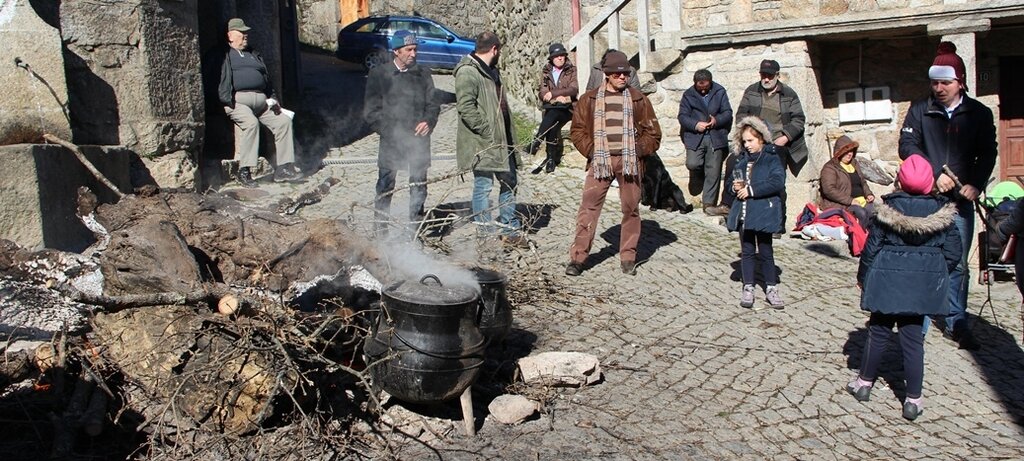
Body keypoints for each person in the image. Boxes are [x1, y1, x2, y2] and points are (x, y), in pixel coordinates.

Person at [898, 41, 997, 350]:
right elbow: (907, 147)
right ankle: (921, 322)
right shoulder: (919, 110)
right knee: (926, 259)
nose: (938, 88)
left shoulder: (979, 113)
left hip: (960, 203)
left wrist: (976, 184)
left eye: (945, 82)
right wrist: (931, 172)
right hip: (928, 200)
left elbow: (988, 152)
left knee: (957, 264)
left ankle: (956, 320)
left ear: (960, 82)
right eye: (935, 82)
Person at [847, 154, 962, 421]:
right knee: (912, 342)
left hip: (887, 285)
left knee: (878, 333)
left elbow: (870, 250)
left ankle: (864, 384)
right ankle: (913, 400)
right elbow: (954, 253)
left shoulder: (886, 213)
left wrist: (863, 277)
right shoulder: (942, 215)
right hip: (920, 288)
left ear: (899, 180)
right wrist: (933, 270)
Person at [566, 50, 662, 277]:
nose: (622, 78)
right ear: (606, 74)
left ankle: (628, 256)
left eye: (626, 74)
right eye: (617, 74)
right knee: (588, 208)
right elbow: (577, 131)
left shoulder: (639, 99)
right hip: (600, 161)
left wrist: (638, 151)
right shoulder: (588, 100)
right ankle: (578, 258)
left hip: (629, 163)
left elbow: (654, 134)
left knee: (630, 208)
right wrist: (592, 151)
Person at [454, 31, 528, 248]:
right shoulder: (468, 72)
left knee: (509, 182)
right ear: (495, 49)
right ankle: (485, 232)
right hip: (483, 142)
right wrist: (487, 131)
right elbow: (466, 108)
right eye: (500, 50)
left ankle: (509, 229)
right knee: (483, 186)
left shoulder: (492, 71)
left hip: (503, 140)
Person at [363, 30, 440, 235]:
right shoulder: (379, 74)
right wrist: (392, 132)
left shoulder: (424, 73)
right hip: (392, 141)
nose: (414, 54)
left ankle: (414, 231)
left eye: (415, 49)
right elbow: (371, 113)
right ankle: (380, 231)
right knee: (385, 187)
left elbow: (433, 105)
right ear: (396, 51)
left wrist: (428, 122)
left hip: (419, 141)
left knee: (419, 187)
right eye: (409, 50)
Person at [720, 60, 807, 227]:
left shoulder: (789, 94)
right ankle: (730, 208)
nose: (766, 79)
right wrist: (748, 131)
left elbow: (798, 120)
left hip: (777, 142)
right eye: (763, 75)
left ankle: (778, 223)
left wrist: (785, 137)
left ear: (777, 75)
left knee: (775, 177)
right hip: (755, 138)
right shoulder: (752, 91)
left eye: (769, 76)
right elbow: (741, 115)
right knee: (733, 163)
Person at [217, 18, 302, 187]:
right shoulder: (222, 55)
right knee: (251, 124)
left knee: (283, 121)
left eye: (246, 32)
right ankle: (245, 171)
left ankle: (283, 168)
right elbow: (215, 79)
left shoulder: (254, 54)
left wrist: (273, 99)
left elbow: (266, 80)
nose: (246, 35)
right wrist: (226, 99)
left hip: (262, 102)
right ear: (230, 36)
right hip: (238, 102)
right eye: (242, 32)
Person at [725, 117, 786, 309]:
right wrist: (734, 188)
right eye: (744, 141)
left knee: (766, 251)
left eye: (750, 140)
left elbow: (777, 181)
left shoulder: (771, 158)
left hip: (763, 213)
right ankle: (748, 286)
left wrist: (751, 190)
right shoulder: (741, 160)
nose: (747, 145)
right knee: (748, 251)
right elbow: (729, 184)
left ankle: (771, 287)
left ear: (761, 139)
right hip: (745, 214)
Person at [678, 69, 733, 215]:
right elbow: (682, 116)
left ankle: (709, 204)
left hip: (715, 136)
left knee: (713, 170)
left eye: (706, 88)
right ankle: (698, 174)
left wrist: (717, 120)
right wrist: (696, 124)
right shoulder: (688, 95)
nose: (703, 91)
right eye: (700, 88)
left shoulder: (719, 92)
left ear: (711, 83)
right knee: (693, 163)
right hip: (696, 136)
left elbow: (727, 113)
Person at [528, 43, 578, 175]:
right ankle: (550, 159)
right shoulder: (546, 72)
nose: (560, 58)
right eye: (557, 56)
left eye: (562, 55)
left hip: (568, 109)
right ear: (552, 58)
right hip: (552, 107)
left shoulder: (571, 70)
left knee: (553, 114)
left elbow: (573, 89)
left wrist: (555, 94)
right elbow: (542, 92)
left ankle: (538, 141)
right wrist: (555, 99)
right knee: (553, 123)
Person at [819, 135, 876, 226]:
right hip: (843, 204)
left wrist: (868, 194)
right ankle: (860, 237)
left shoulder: (854, 164)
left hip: (862, 201)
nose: (850, 154)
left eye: (851, 151)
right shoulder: (830, 168)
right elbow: (829, 190)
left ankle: (872, 237)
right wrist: (850, 200)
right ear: (839, 152)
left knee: (875, 212)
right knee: (862, 214)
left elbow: (862, 182)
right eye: (846, 151)